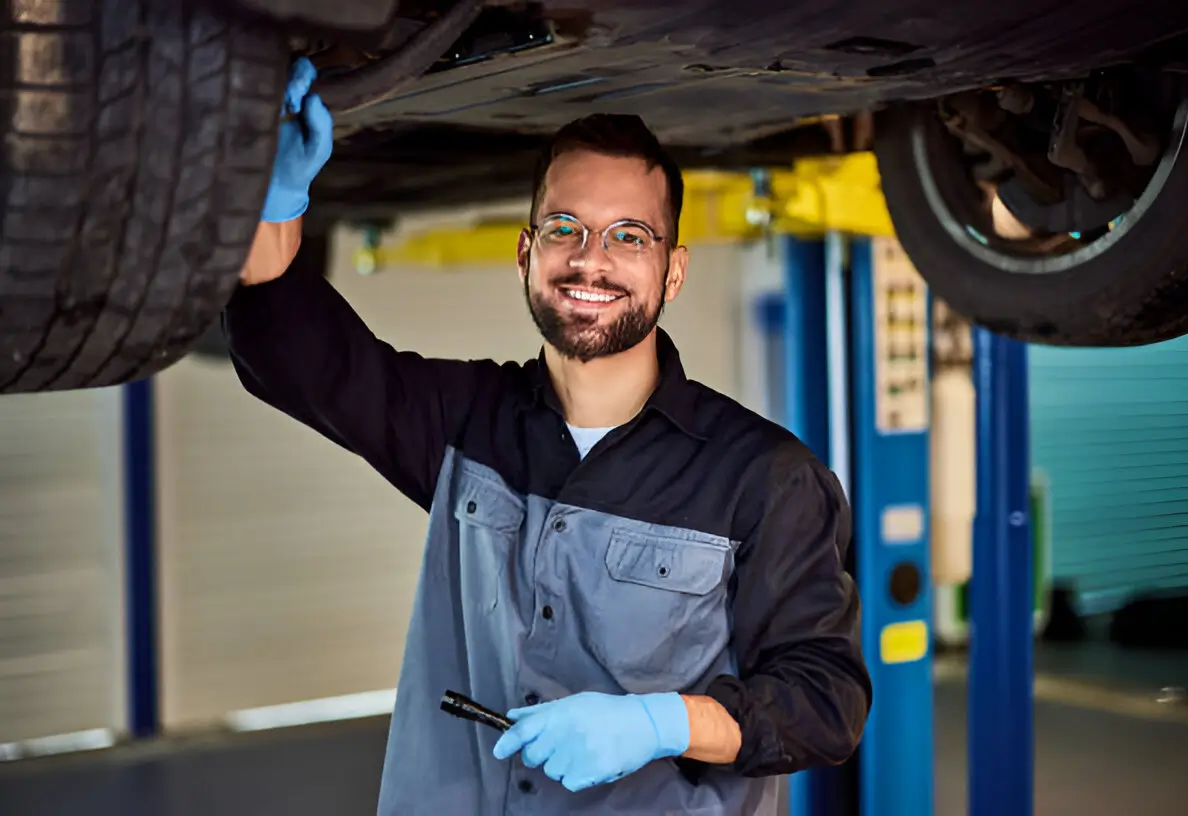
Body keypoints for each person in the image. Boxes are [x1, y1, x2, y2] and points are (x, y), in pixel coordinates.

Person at [226, 57, 871, 816]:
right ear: (526, 252)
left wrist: (660, 722)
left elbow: (824, 703)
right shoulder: (466, 421)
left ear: (672, 273)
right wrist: (273, 198)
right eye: (565, 228)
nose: (590, 258)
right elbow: (299, 357)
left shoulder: (762, 477)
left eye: (629, 236)